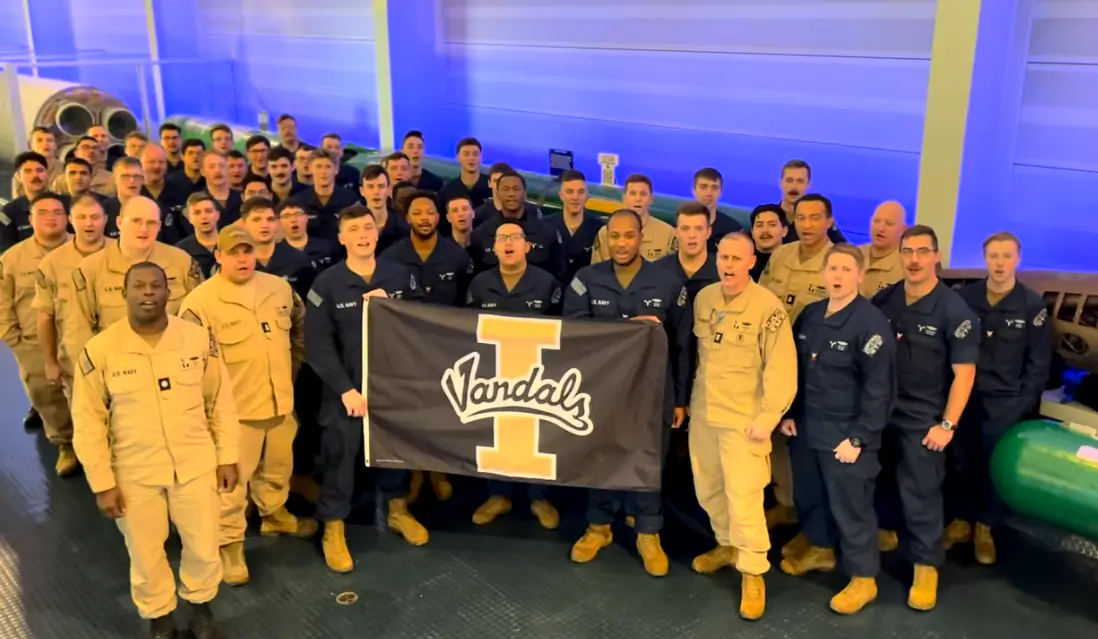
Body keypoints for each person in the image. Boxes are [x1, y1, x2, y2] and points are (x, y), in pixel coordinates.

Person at [72, 262, 239, 639]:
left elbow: (220, 400)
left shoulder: (197, 340)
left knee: (203, 544)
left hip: (195, 464)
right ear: (124, 293)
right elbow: (88, 423)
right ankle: (159, 616)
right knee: (146, 554)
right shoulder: (100, 350)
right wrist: (102, 483)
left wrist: (227, 455)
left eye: (156, 285)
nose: (148, 292)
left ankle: (200, 608)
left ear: (168, 292)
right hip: (134, 471)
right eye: (139, 286)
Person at [179, 225, 315, 587]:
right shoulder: (200, 304)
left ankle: (274, 514)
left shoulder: (279, 288)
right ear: (219, 256)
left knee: (278, 467)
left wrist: (291, 375)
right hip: (235, 415)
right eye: (234, 252)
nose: (242, 258)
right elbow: (191, 366)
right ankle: (230, 544)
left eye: (247, 251)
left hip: (279, 404)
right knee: (230, 486)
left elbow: (299, 331)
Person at [563, 209, 690, 577]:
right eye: (614, 236)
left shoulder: (666, 284)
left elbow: (682, 346)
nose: (621, 243)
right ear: (606, 239)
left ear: (640, 238)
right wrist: (627, 327)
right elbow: (573, 333)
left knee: (648, 461)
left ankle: (648, 533)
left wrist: (680, 398)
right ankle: (598, 527)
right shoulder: (585, 280)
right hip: (600, 391)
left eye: (628, 236)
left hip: (653, 393)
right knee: (600, 456)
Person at [305, 205, 427, 573]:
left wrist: (392, 308)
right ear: (341, 238)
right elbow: (318, 345)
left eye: (368, 227)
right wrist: (345, 390)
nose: (362, 234)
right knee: (340, 459)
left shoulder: (400, 277)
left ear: (377, 233)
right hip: (347, 392)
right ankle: (333, 528)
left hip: (393, 388)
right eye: (353, 228)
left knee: (396, 454)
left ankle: (397, 511)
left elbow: (424, 326)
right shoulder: (327, 284)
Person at [777, 244, 895, 615]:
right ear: (824, 274)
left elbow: (880, 389)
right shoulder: (811, 315)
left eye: (847, 269)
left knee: (852, 507)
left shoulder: (871, 323)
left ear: (860, 276)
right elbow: (796, 369)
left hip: (846, 434)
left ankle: (864, 579)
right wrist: (790, 413)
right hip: (808, 426)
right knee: (811, 496)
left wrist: (860, 437)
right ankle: (821, 549)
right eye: (833, 269)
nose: (839, 276)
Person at [687, 232, 796, 620]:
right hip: (704, 415)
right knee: (708, 488)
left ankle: (753, 571)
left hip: (743, 421)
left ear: (752, 261)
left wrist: (767, 420)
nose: (728, 265)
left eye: (737, 258)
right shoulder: (705, 299)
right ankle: (727, 545)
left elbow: (782, 370)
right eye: (723, 258)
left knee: (745, 497)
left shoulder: (767, 307)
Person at [871, 224, 979, 611]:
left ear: (936, 257)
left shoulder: (954, 310)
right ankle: (886, 537)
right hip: (883, 408)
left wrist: (947, 425)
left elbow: (965, 374)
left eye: (922, 252)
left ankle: (925, 568)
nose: (914, 260)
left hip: (924, 417)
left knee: (922, 493)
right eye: (907, 251)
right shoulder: (887, 299)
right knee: (879, 481)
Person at [949, 232, 1051, 565]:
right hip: (966, 396)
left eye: (1006, 256)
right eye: (993, 256)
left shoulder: (1031, 304)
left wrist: (1021, 403)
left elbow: (1038, 362)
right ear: (985, 258)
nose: (1000, 263)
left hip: (1005, 401)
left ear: (1018, 259)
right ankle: (962, 520)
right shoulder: (965, 297)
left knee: (994, 465)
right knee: (963, 459)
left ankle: (985, 528)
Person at [466, 220, 563, 528]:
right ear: (494, 247)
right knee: (497, 433)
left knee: (538, 436)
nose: (508, 242)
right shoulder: (479, 284)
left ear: (527, 246)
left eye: (515, 237)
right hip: (495, 376)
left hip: (537, 379)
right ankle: (499, 495)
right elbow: (465, 329)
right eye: (502, 238)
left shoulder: (548, 283)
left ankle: (539, 497)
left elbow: (566, 333)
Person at [758, 193, 835, 529]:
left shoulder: (838, 262)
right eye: (801, 218)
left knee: (809, 448)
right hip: (773, 364)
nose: (807, 225)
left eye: (815, 218)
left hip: (816, 370)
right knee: (774, 439)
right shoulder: (781, 255)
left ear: (829, 222)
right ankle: (786, 505)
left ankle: (815, 524)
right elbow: (759, 301)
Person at [66, 196, 203, 364]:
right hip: (117, 367)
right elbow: (77, 332)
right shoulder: (90, 269)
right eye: (136, 221)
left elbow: (199, 317)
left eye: (151, 223)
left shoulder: (181, 262)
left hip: (175, 364)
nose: (144, 229)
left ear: (159, 226)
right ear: (119, 223)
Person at [0, 193, 78, 475]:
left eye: (57, 212)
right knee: (47, 395)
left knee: (91, 396)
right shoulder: (12, 259)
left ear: (67, 217)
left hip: (80, 340)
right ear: (31, 219)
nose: (51, 217)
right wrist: (15, 341)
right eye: (42, 212)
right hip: (32, 344)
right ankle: (65, 443)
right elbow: (3, 303)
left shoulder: (86, 250)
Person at [34, 194, 111, 408]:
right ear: (70, 219)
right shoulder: (52, 264)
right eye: (82, 217)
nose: (89, 223)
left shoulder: (123, 254)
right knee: (85, 424)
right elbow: (45, 316)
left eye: (95, 217)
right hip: (75, 361)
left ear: (105, 219)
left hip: (121, 358)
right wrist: (50, 361)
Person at [469, 170, 562, 278]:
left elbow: (558, 276)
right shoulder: (480, 234)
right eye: (506, 189)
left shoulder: (548, 234)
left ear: (525, 193)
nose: (511, 194)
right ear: (497, 193)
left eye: (516, 189)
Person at [591, 174, 676, 263]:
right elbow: (596, 271)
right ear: (624, 198)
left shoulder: (667, 234)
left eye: (643, 194)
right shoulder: (605, 233)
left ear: (651, 199)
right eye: (632, 193)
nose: (638, 199)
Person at [239, 197, 314, 297]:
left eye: (270, 219)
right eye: (256, 219)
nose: (265, 225)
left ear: (277, 223)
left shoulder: (299, 261)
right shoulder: (234, 262)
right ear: (243, 224)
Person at [542, 169, 604, 286]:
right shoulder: (545, 225)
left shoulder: (599, 228)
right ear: (561, 195)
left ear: (587, 195)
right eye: (570, 192)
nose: (575, 197)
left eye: (580, 192)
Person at [656, 202, 720, 305]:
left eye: (698, 229)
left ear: (708, 232)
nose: (692, 235)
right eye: (685, 229)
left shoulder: (722, 272)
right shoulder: (657, 271)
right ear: (676, 232)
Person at [860, 201, 907, 296]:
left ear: (903, 230)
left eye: (889, 224)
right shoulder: (853, 255)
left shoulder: (906, 265)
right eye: (876, 221)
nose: (880, 228)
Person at [691, 168, 743, 250]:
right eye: (703, 187)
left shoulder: (733, 231)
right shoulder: (680, 225)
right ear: (694, 190)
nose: (709, 193)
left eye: (714, 188)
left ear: (720, 192)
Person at [748, 204, 788, 282]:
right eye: (759, 225)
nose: (765, 230)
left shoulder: (795, 262)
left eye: (772, 225)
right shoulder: (743, 263)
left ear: (784, 231)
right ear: (752, 233)